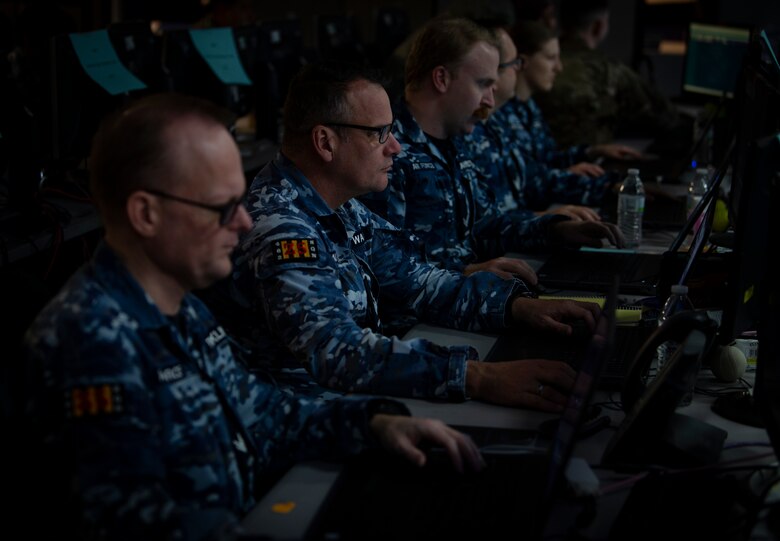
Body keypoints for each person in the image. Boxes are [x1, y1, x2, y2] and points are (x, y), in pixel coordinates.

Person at [19, 93, 486, 540]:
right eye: (221, 207)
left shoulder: (181, 309)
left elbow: (266, 418)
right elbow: (143, 526)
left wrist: (376, 426)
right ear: (146, 214)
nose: (244, 222)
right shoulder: (90, 342)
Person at [207, 60, 604, 415]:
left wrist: (518, 307)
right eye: (379, 134)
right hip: (315, 428)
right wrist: (480, 378)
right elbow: (338, 353)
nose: (396, 147)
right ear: (325, 142)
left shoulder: (338, 201)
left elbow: (415, 279)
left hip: (359, 403)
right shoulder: (280, 227)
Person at [361, 17, 624, 279]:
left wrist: (555, 230)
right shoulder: (388, 150)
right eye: (483, 84)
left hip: (466, 303)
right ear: (441, 78)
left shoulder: (454, 141)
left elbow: (485, 226)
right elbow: (382, 268)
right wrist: (466, 273)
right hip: (420, 317)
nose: (489, 100)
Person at [533, 0, 681, 148]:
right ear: (598, 27)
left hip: (539, 161)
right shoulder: (609, 70)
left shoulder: (536, 64)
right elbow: (666, 116)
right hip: (591, 164)